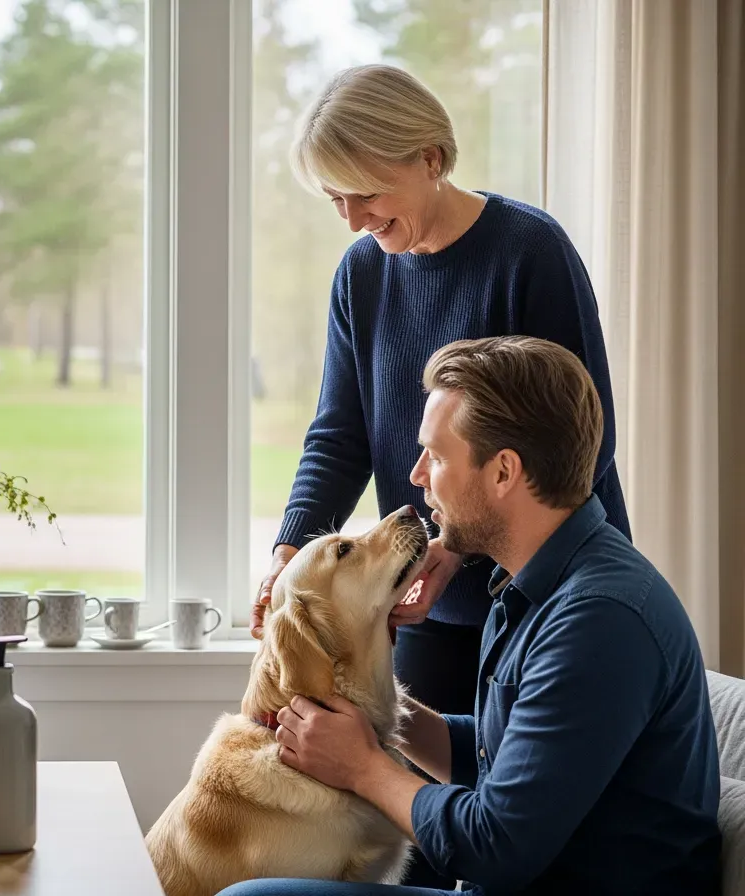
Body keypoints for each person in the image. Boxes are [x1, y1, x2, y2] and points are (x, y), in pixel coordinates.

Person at [249, 64, 631, 888]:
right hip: (426, 593)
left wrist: (455, 549)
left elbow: (581, 444)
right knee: (424, 842)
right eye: (332, 198)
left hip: (537, 583)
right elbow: (338, 434)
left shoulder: (529, 252)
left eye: (362, 190)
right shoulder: (362, 273)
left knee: (502, 838)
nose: (350, 217)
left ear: (428, 156)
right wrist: (290, 552)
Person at [223, 336, 720, 895]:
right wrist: (370, 706)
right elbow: (507, 758)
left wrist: (363, 766)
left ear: (503, 471)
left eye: (435, 456)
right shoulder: (545, 584)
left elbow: (495, 845)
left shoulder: (597, 621)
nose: (416, 476)